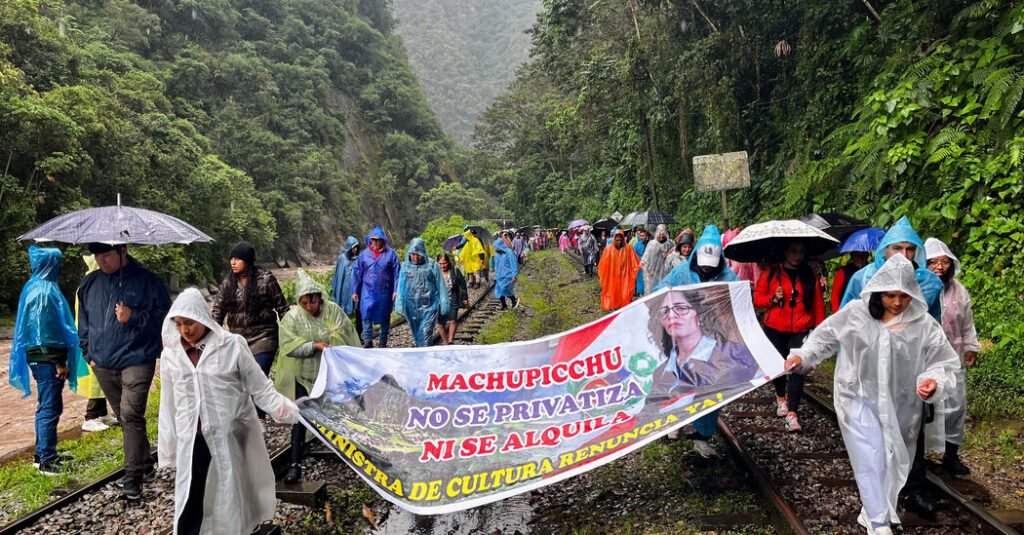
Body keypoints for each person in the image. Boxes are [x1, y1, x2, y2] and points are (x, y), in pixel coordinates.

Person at [785, 255, 959, 535]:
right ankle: (879, 522)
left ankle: (876, 510)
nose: (898, 302)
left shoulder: (922, 324)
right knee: (871, 454)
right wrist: (802, 357)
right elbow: (824, 338)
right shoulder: (856, 313)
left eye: (904, 296)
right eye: (891, 295)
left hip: (901, 402)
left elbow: (943, 362)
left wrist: (933, 381)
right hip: (857, 394)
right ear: (879, 292)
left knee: (893, 458)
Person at [158, 288, 301, 535]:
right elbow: (168, 404)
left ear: (202, 318)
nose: (185, 331)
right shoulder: (172, 356)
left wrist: (294, 413)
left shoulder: (232, 346)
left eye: (189, 323)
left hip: (230, 435)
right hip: (193, 439)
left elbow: (261, 389)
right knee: (191, 496)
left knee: (230, 493)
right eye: (179, 324)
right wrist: (168, 449)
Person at [837, 216, 943, 516]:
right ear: (885, 249)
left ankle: (913, 487)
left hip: (911, 365)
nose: (905, 256)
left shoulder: (929, 281)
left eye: (911, 249)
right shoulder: (863, 278)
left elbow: (934, 325)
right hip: (872, 365)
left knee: (912, 428)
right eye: (898, 248)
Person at [77, 242, 170, 499]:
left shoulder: (148, 282)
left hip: (137, 359)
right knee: (125, 417)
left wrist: (134, 316)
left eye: (106, 255)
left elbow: (167, 320)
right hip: (103, 363)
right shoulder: (89, 284)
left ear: (123, 251)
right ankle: (146, 464)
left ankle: (132, 479)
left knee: (130, 415)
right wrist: (89, 354)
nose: (101, 260)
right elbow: (83, 322)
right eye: (97, 256)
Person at [275, 271, 360, 484]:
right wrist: (313, 346)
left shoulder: (333, 312)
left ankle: (354, 454)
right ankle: (295, 464)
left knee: (340, 411)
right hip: (304, 375)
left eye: (313, 301)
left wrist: (334, 343)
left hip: (330, 374)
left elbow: (346, 334)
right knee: (301, 417)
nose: (310, 307)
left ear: (319, 297)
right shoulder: (293, 318)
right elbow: (288, 345)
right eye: (305, 303)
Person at [9, 246, 82, 475]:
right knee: (50, 407)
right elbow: (45, 331)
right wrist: (59, 362)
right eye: (57, 262)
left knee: (46, 405)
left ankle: (43, 453)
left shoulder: (32, 287)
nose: (59, 267)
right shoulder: (45, 291)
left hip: (38, 357)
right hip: (47, 358)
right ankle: (46, 460)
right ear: (51, 264)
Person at [753, 241, 826, 432]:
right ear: (785, 252)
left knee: (797, 367)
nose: (797, 256)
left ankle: (792, 412)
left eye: (801, 252)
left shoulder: (809, 274)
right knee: (778, 366)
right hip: (775, 327)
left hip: (801, 328)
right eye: (793, 251)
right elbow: (758, 300)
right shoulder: (771, 273)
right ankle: (780, 398)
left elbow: (818, 303)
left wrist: (820, 331)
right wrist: (773, 299)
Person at [924, 237, 979, 476]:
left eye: (943, 262)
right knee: (924, 408)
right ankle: (917, 456)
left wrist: (971, 347)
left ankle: (951, 455)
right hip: (924, 359)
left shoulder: (959, 291)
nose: (938, 267)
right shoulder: (917, 288)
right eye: (933, 262)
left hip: (953, 357)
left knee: (955, 407)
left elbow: (967, 324)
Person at [210, 241, 290, 379]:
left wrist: (291, 336)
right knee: (240, 385)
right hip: (238, 342)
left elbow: (282, 308)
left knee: (256, 378)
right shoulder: (228, 284)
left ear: (247, 260)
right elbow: (217, 313)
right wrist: (207, 339)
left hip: (264, 338)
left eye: (237, 259)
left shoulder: (265, 280)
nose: (233, 262)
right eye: (231, 259)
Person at [75, 254, 116, 433]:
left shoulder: (96, 283)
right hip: (92, 339)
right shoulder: (89, 285)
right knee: (96, 379)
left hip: (97, 339)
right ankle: (90, 417)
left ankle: (102, 413)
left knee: (103, 378)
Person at [352, 226, 401, 348]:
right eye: (373, 239)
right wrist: (355, 291)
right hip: (367, 291)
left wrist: (396, 290)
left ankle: (383, 341)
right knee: (366, 314)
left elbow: (397, 274)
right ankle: (368, 340)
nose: (375, 242)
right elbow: (357, 273)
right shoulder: (364, 255)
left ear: (383, 240)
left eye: (378, 239)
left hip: (385, 291)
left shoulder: (391, 254)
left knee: (385, 315)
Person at [396, 238, 450, 347]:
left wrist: (444, 302)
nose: (415, 258)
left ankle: (425, 354)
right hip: (411, 307)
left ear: (423, 253)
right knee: (416, 333)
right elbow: (400, 287)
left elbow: (440, 285)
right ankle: (422, 353)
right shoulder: (405, 267)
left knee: (426, 333)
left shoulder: (432, 265)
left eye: (418, 254)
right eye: (413, 254)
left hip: (430, 306)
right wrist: (399, 304)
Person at [655, 225, 738, 290]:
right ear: (697, 254)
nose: (707, 266)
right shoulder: (682, 271)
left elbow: (739, 293)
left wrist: (746, 288)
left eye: (711, 263)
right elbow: (660, 288)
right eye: (704, 261)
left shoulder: (728, 276)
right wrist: (664, 289)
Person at [598, 230, 641, 311]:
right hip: (612, 276)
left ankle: (623, 305)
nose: (619, 242)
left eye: (621, 240)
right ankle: (614, 304)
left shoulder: (628, 249)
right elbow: (602, 264)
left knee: (624, 291)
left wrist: (641, 265)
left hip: (624, 276)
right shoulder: (608, 250)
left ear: (623, 239)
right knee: (613, 290)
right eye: (617, 240)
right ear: (614, 239)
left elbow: (635, 261)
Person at [330, 236, 362, 333]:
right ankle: (344, 333)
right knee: (343, 312)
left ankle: (359, 334)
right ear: (349, 248)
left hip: (357, 290)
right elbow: (338, 276)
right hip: (345, 290)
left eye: (357, 247)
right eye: (353, 247)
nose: (355, 250)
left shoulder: (360, 259)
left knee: (358, 312)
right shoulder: (342, 259)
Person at [436, 253, 468, 344]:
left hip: (453, 297)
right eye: (440, 263)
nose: (442, 265)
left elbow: (463, 284)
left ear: (448, 262)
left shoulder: (454, 271)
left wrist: (465, 298)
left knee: (453, 319)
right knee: (441, 322)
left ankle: (450, 340)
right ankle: (445, 342)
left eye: (444, 263)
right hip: (440, 300)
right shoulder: (435, 273)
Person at [640, 224, 675, 295]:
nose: (662, 235)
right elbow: (645, 259)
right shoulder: (652, 244)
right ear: (657, 233)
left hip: (666, 273)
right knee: (653, 292)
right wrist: (648, 269)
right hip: (653, 274)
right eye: (660, 233)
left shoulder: (670, 243)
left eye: (663, 233)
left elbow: (674, 257)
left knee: (665, 292)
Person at [494, 238, 520, 310]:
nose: (495, 249)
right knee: (499, 291)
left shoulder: (509, 252)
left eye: (496, 247)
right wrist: (496, 275)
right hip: (500, 275)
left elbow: (514, 264)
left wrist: (514, 275)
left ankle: (513, 300)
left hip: (508, 276)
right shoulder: (498, 254)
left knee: (504, 289)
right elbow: (497, 265)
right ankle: (504, 306)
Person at [632, 227, 649, 296]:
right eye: (640, 236)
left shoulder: (650, 244)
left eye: (643, 235)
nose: (642, 237)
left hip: (648, 266)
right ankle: (641, 295)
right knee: (641, 283)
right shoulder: (637, 245)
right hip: (640, 267)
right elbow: (633, 255)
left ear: (646, 236)